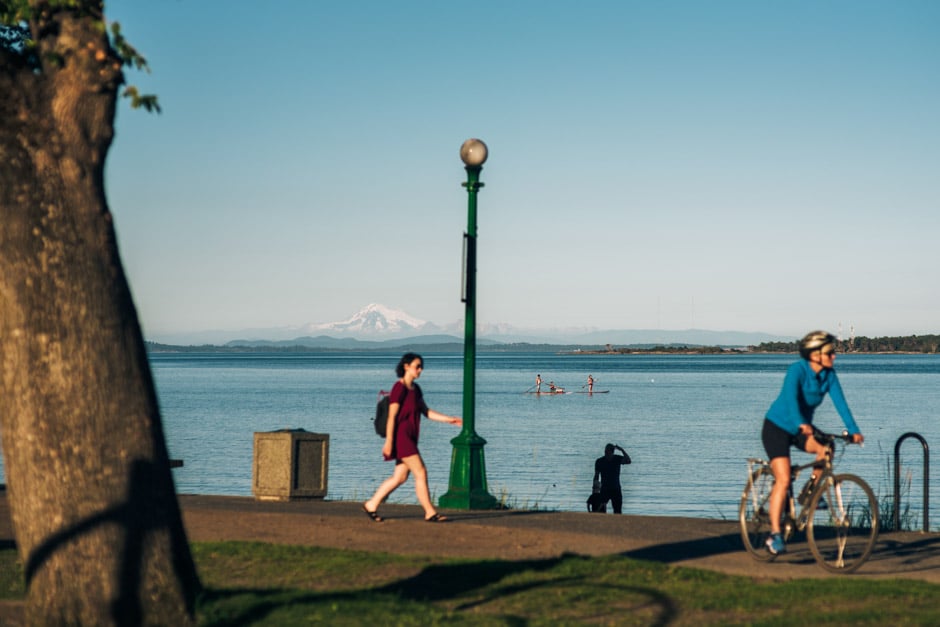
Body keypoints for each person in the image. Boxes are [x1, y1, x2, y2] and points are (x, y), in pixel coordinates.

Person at [761, 330, 864, 555]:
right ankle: (775, 535)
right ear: (815, 355)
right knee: (784, 478)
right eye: (830, 352)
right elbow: (790, 399)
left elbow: (841, 403)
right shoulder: (797, 370)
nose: (834, 356)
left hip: (801, 428)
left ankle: (810, 494)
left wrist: (854, 430)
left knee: (827, 447)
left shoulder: (829, 376)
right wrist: (800, 422)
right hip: (777, 427)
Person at [363, 353, 462, 523]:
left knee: (400, 477)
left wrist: (449, 419)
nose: (420, 370)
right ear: (406, 366)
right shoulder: (399, 388)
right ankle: (430, 512)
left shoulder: (415, 389)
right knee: (421, 472)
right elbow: (392, 417)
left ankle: (371, 504)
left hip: (411, 436)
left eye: (421, 367)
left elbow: (426, 411)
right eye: (417, 366)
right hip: (402, 438)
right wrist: (389, 442)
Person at [593, 443, 632, 514]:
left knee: (617, 511)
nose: (606, 454)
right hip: (604, 489)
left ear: (612, 452)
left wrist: (622, 450)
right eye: (605, 452)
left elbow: (628, 461)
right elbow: (596, 475)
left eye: (607, 452)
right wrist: (595, 489)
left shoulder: (617, 459)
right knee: (601, 511)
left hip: (616, 489)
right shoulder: (599, 461)